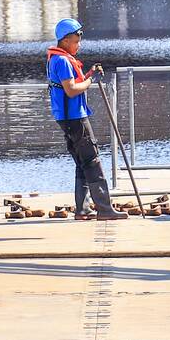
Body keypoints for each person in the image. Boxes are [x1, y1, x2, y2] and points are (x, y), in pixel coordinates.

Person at [47, 18, 128, 220]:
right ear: (65, 40)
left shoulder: (56, 58)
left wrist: (90, 73)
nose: (79, 44)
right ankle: (105, 209)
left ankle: (82, 209)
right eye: (76, 40)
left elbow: (74, 83)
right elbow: (72, 90)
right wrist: (92, 80)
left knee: (82, 161)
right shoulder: (63, 61)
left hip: (65, 117)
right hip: (74, 117)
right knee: (92, 160)